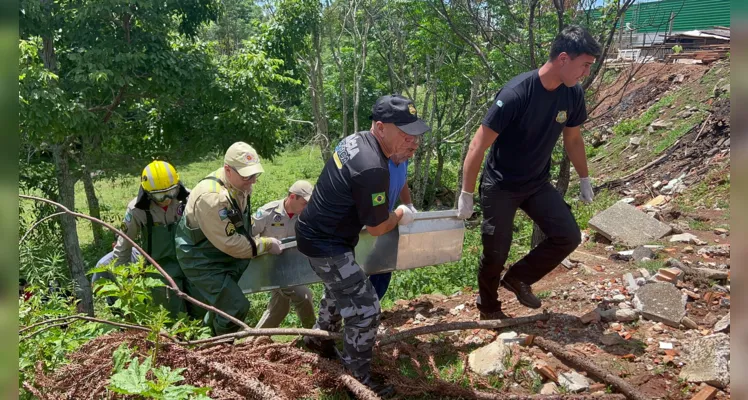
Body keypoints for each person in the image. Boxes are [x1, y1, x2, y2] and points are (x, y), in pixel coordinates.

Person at [456, 25, 600, 320]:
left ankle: (518, 278)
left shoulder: (572, 94)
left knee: (568, 235)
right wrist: (466, 193)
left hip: (536, 183)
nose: (585, 72)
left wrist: (585, 178)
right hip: (501, 186)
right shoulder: (515, 94)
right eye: (584, 65)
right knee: (496, 252)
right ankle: (489, 308)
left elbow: (572, 138)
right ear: (563, 58)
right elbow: (478, 145)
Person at [296, 94, 429, 396]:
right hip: (325, 244)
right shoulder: (373, 169)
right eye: (407, 135)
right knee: (366, 309)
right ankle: (357, 379)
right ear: (381, 128)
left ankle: (318, 339)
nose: (414, 142)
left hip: (324, 235)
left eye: (416, 136)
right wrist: (400, 213)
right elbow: (378, 227)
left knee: (338, 288)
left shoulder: (357, 140)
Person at [175, 142, 283, 335]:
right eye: (247, 176)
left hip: (221, 252)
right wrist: (265, 244)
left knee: (222, 305)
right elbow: (230, 242)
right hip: (202, 259)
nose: (253, 181)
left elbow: (237, 222)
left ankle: (204, 342)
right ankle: (222, 349)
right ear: (228, 170)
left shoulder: (237, 183)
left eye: (255, 175)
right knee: (236, 306)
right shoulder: (212, 197)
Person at [112, 160, 191, 318]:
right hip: (159, 268)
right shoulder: (136, 210)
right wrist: (123, 283)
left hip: (191, 260)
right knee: (170, 317)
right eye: (160, 195)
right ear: (148, 193)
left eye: (171, 191)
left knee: (203, 310)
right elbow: (123, 248)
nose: (167, 198)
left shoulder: (190, 198)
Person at [251, 180, 316, 329]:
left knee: (279, 309)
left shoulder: (307, 215)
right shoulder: (268, 213)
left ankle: (254, 340)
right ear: (292, 197)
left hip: (293, 268)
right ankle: (314, 336)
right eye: (304, 203)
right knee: (303, 296)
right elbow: (247, 238)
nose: (307, 207)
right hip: (271, 268)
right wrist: (266, 243)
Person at [367, 158, 417, 300]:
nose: (412, 150)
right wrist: (400, 213)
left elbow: (402, 181)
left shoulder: (403, 160)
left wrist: (409, 204)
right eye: (408, 145)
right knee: (356, 269)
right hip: (364, 223)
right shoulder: (379, 162)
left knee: (384, 267)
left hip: (387, 221)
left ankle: (371, 307)